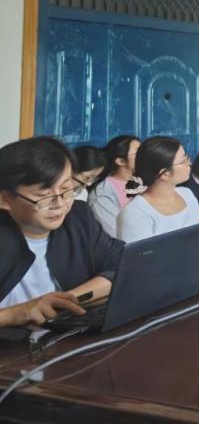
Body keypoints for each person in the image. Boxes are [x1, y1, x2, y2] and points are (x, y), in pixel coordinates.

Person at [0, 137, 120, 327]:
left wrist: (64, 301)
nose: (60, 204)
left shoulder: (78, 217)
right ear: (5, 199)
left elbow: (121, 265)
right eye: (43, 196)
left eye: (66, 189)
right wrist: (18, 312)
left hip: (65, 334)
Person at [88, 134, 141, 237]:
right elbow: (116, 235)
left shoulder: (144, 181)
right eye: (138, 153)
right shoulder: (102, 194)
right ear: (121, 161)